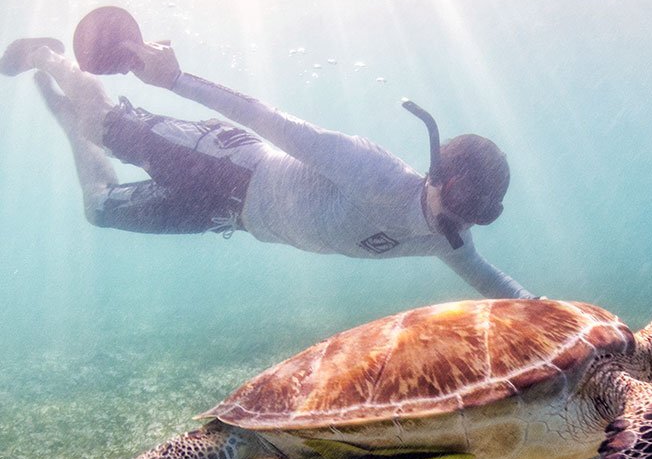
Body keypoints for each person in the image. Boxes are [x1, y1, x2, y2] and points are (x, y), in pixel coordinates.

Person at [1, 35, 535, 299]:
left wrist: (572, 326)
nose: (463, 223)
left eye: (481, 215)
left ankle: (72, 125)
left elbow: (497, 286)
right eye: (463, 203)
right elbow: (271, 121)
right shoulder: (374, 173)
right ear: (437, 171)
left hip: (231, 217)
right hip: (229, 167)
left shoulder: (452, 242)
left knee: (98, 209)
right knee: (106, 127)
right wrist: (176, 81)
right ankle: (52, 58)